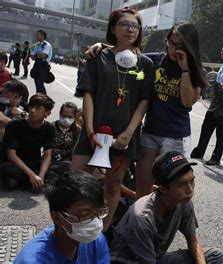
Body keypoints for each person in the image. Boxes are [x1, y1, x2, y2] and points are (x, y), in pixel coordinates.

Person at [71, 7, 154, 231]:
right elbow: (88, 93)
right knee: (75, 182)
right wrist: (89, 131)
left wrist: (128, 134)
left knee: (112, 186)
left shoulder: (146, 64)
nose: (130, 29)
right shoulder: (98, 57)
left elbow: (144, 101)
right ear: (112, 29)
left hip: (124, 137)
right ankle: (71, 227)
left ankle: (101, 232)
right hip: (93, 131)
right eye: (125, 25)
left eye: (135, 26)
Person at [134, 21, 208, 199]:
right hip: (150, 131)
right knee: (143, 183)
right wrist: (101, 46)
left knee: (173, 189)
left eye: (180, 46)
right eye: (172, 43)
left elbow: (187, 101)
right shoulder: (154, 60)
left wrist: (184, 69)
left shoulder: (197, 71)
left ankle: (167, 223)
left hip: (175, 136)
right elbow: (127, 54)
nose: (174, 49)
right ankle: (141, 222)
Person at [110, 151, 223, 264]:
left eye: (192, 181)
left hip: (154, 258)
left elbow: (193, 241)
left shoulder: (184, 202)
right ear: (163, 189)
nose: (190, 190)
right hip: (131, 261)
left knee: (214, 255)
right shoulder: (142, 218)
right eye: (182, 184)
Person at [14, 169, 110, 263]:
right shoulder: (32, 260)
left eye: (98, 212)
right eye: (84, 215)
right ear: (57, 218)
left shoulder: (96, 241)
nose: (94, 222)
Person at [190, 41, 223, 166]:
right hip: (216, 99)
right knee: (206, 126)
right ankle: (199, 151)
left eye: (222, 50)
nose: (221, 52)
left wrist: (211, 87)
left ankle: (216, 157)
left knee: (220, 131)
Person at [0, 93, 55, 191]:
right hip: (17, 164)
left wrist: (41, 176)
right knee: (5, 168)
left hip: (34, 163)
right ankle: (33, 182)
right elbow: (11, 155)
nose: (32, 110)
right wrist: (31, 174)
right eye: (31, 107)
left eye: (38, 108)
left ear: (47, 113)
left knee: (64, 166)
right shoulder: (14, 125)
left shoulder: (49, 128)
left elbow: (47, 155)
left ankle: (31, 182)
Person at [30, 30, 53, 94]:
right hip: (37, 64)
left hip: (43, 66)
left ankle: (44, 99)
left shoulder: (46, 45)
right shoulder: (37, 45)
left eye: (38, 35)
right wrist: (37, 56)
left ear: (43, 36)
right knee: (37, 83)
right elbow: (32, 56)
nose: (36, 36)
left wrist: (36, 56)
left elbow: (43, 55)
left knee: (40, 84)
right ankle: (38, 97)